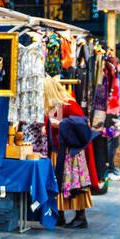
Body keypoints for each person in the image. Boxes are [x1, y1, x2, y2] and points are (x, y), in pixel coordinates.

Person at [44, 76, 96, 229]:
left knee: (74, 184)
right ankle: (59, 214)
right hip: (58, 150)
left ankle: (80, 216)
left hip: (70, 152)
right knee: (60, 183)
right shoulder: (55, 104)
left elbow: (82, 125)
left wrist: (60, 124)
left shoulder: (69, 104)